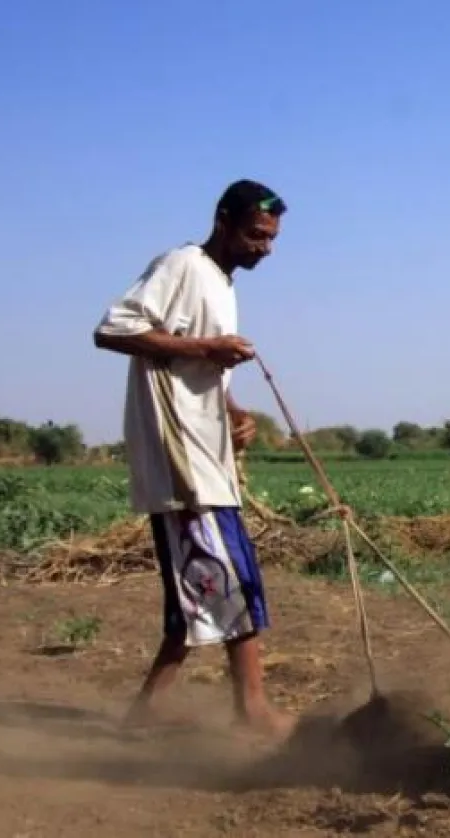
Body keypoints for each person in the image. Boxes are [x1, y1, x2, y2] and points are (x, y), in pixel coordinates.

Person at [92, 179, 294, 741]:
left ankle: (147, 713)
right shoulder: (183, 264)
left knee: (204, 583)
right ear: (223, 221)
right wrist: (208, 348)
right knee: (230, 576)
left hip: (209, 455)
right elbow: (113, 329)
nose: (265, 248)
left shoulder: (223, 284)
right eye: (256, 235)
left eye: (272, 239)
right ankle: (252, 709)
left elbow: (202, 369)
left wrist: (230, 408)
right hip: (183, 463)